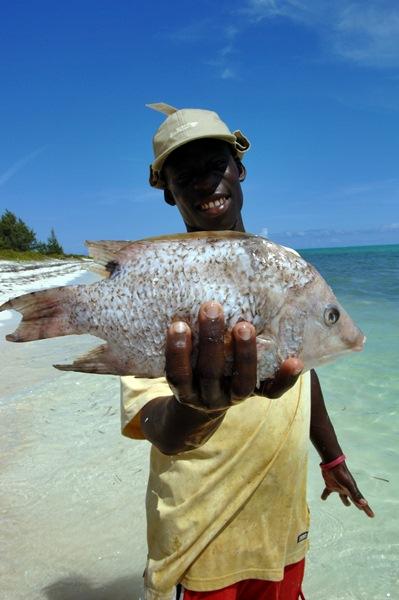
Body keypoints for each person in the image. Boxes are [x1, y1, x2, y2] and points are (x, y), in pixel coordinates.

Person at [120, 104, 374, 600]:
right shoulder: (157, 284)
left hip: (281, 528)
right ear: (167, 191)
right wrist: (194, 406)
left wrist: (332, 456)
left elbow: (302, 368)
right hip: (201, 537)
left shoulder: (288, 265)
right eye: (184, 174)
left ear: (240, 169)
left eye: (215, 165)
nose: (204, 182)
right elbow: (157, 428)